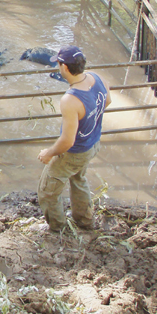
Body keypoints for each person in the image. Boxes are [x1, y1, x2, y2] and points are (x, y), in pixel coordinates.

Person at [37, 45, 111, 232]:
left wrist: (49, 153)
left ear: (65, 68)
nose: (58, 67)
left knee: (47, 191)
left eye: (59, 64)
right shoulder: (97, 77)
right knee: (79, 179)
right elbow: (107, 100)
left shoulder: (70, 100)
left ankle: (57, 228)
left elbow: (67, 141)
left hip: (75, 151)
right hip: (92, 144)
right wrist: (89, 120)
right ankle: (85, 221)